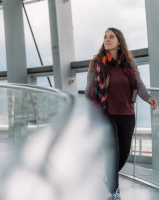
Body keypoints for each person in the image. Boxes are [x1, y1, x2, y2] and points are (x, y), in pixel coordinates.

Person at [85, 27, 157, 200]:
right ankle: (114, 191)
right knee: (114, 152)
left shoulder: (130, 64)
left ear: (119, 41)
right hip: (106, 114)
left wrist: (148, 98)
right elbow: (89, 90)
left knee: (124, 154)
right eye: (105, 37)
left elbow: (139, 85)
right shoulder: (97, 63)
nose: (107, 39)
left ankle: (109, 177)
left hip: (127, 113)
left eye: (111, 37)